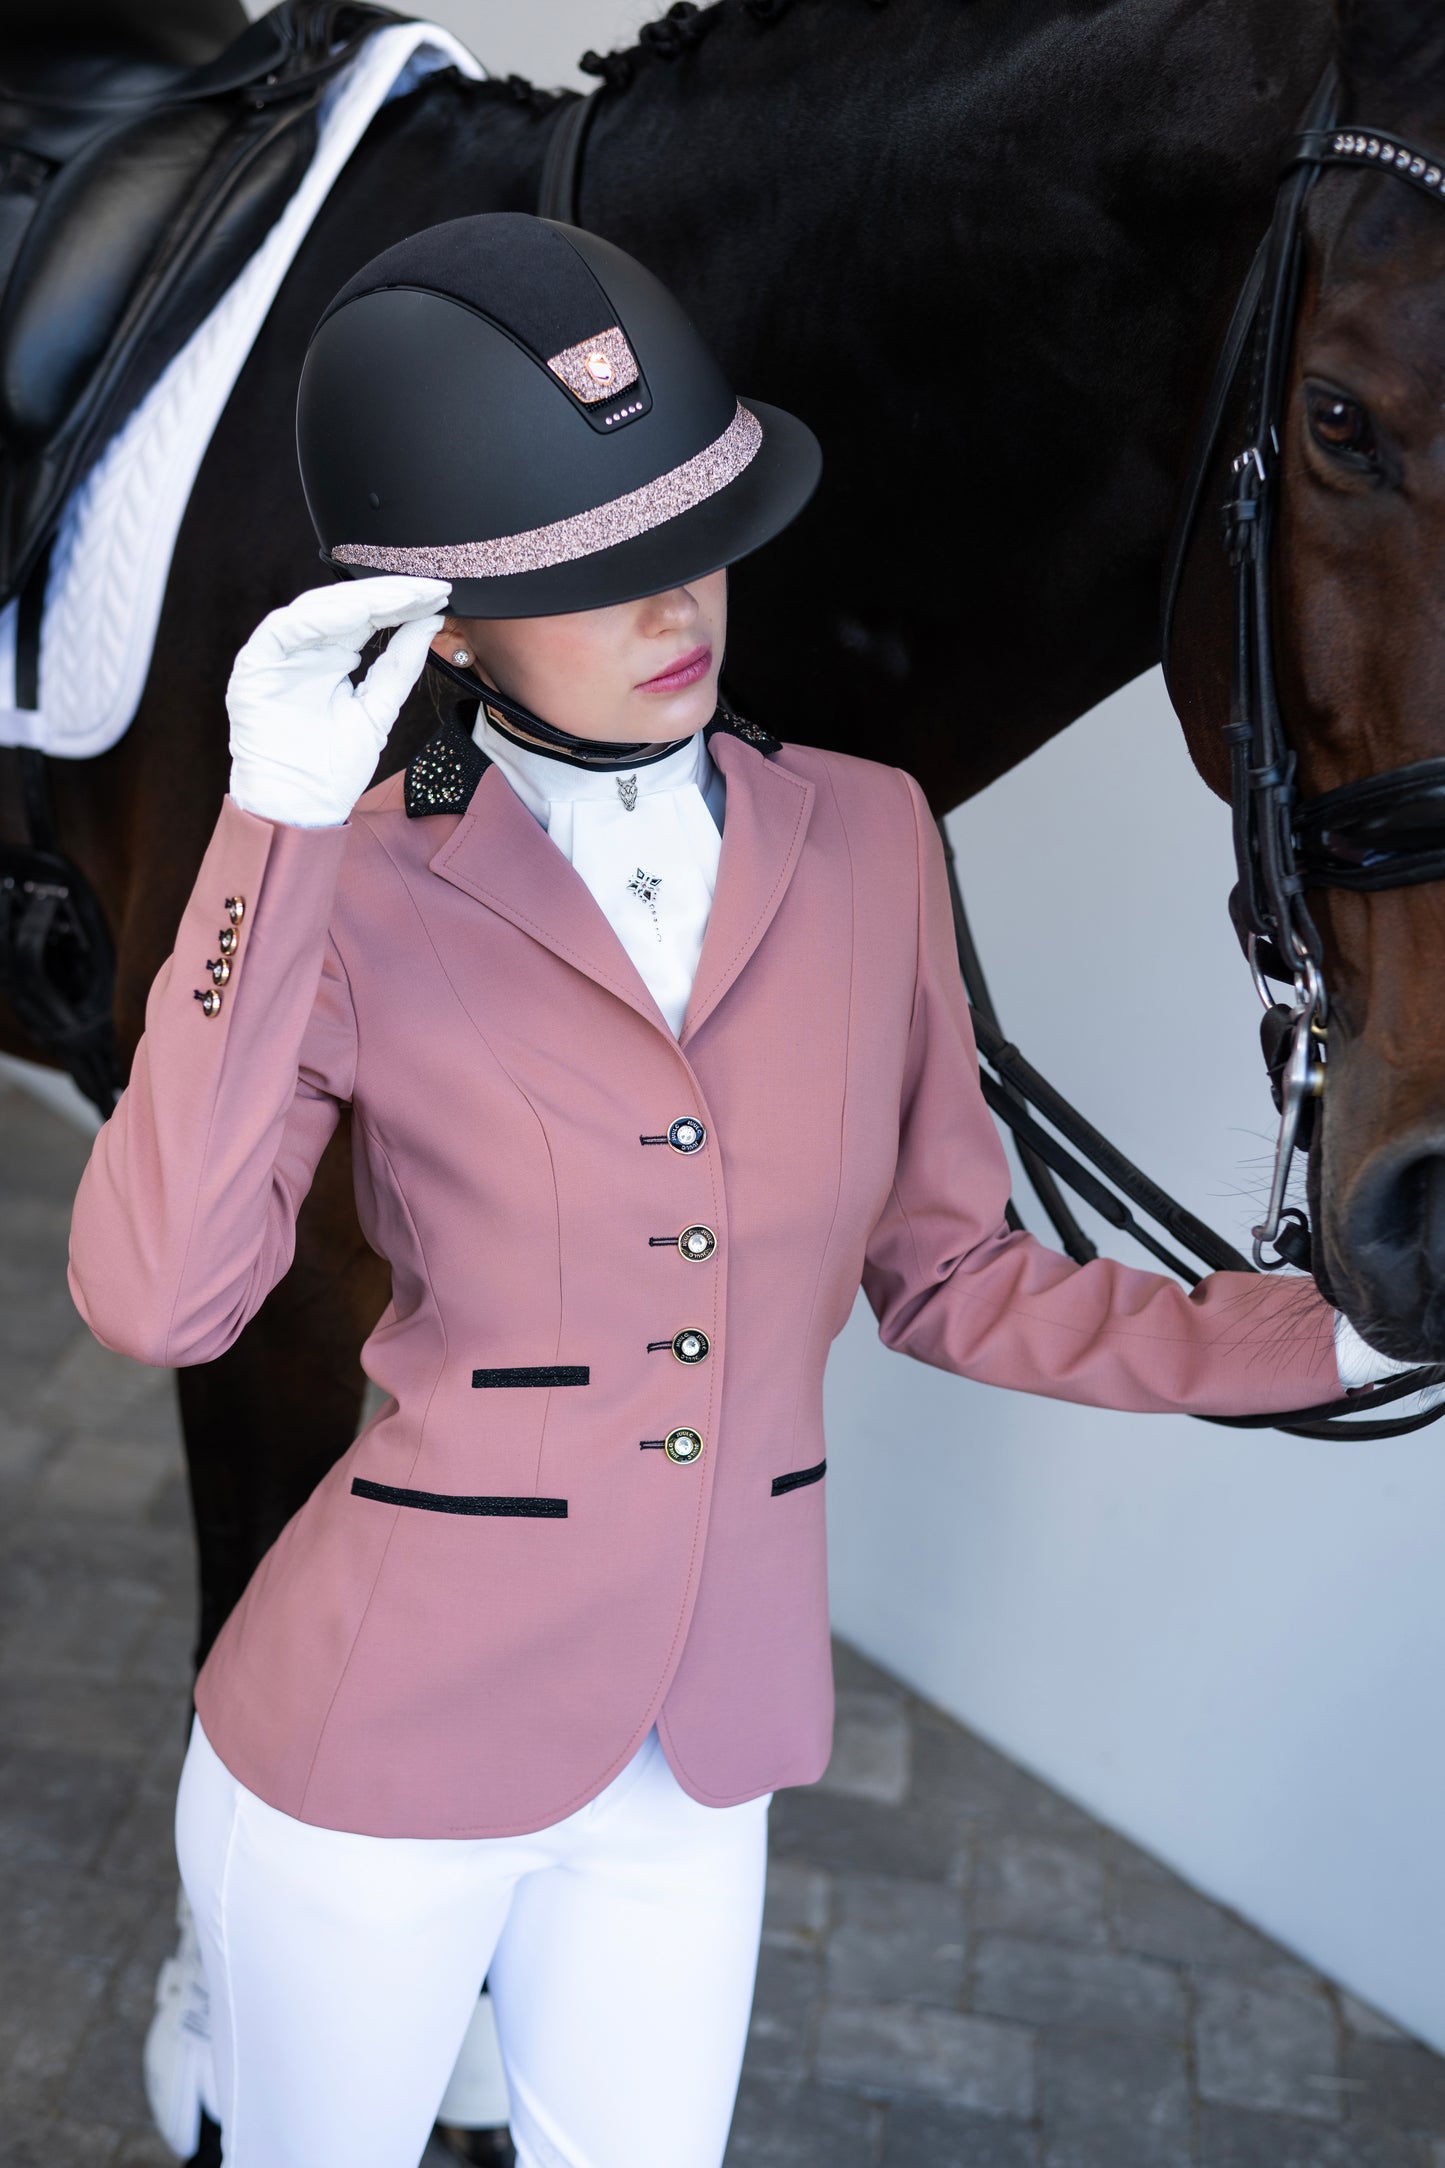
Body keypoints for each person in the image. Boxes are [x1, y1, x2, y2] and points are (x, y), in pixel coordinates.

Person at [67, 213, 1395, 2168]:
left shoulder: (866, 841)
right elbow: (160, 1293)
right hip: (371, 1751)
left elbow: (951, 1272)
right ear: (444, 622)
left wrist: (1326, 1336)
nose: (674, 601)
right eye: (594, 572)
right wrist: (265, 834)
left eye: (690, 532)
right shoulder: (346, 884)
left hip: (701, 1755)